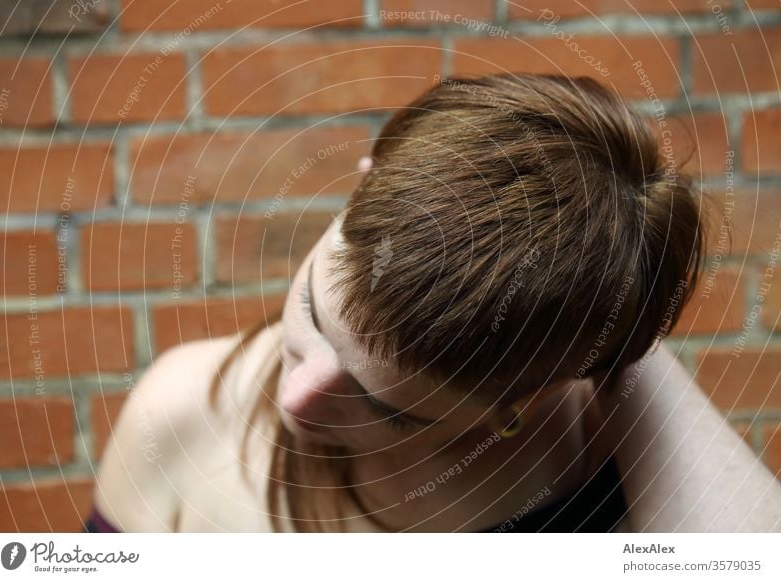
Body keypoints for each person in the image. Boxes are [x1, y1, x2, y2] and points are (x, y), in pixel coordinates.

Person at [86, 73, 781, 533]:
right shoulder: (180, 412)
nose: (296, 397)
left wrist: (606, 311)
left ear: (521, 404)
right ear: (360, 187)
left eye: (389, 410)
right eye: (314, 317)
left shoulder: (605, 472)